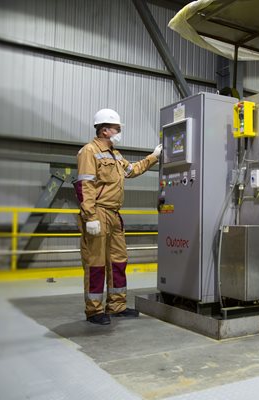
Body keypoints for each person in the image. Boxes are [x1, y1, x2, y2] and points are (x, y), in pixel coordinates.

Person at [75, 108, 162, 325]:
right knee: (95, 263)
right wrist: (90, 216)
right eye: (117, 128)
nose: (119, 131)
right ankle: (94, 311)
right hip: (98, 212)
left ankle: (116, 306)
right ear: (105, 130)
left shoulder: (115, 153)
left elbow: (131, 170)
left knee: (118, 261)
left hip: (114, 215)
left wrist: (154, 157)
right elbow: (85, 185)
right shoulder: (89, 151)